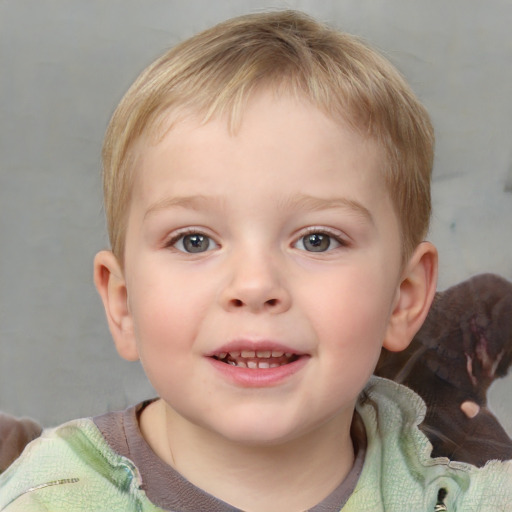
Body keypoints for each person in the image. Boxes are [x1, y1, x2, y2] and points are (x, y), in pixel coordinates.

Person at [0, 9, 510, 511]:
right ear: (123, 302)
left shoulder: (461, 495)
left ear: (404, 298)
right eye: (194, 241)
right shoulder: (53, 498)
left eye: (317, 240)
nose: (254, 284)